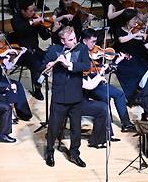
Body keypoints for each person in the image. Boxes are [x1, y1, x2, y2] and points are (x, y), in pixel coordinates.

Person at [42, 27, 106, 167]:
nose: (75, 41)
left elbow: (86, 65)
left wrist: (69, 64)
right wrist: (48, 66)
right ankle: (49, 151)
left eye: (75, 38)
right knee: (53, 127)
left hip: (76, 97)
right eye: (71, 40)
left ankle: (74, 153)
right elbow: (42, 69)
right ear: (62, 40)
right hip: (59, 97)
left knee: (76, 129)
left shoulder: (81, 48)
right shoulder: (53, 50)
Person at [81, 28, 136, 133]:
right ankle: (107, 131)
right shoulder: (80, 54)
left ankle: (126, 124)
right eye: (92, 42)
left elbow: (103, 70)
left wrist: (117, 61)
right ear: (84, 41)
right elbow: (88, 72)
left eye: (95, 42)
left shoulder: (95, 52)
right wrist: (101, 71)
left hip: (97, 82)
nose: (95, 45)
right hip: (87, 85)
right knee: (105, 97)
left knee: (119, 94)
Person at [115, 9, 148, 103]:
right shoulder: (119, 30)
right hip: (124, 59)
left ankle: (143, 96)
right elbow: (121, 40)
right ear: (127, 21)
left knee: (146, 70)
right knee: (134, 71)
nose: (136, 21)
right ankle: (132, 97)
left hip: (138, 58)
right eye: (134, 19)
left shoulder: (138, 31)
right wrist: (135, 35)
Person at [0, 28, 32, 122]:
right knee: (9, 88)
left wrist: (19, 54)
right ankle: (9, 113)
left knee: (18, 85)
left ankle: (23, 112)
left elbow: (8, 66)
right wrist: (6, 52)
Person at [10, 0, 51, 100]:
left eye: (34, 10)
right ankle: (37, 88)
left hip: (34, 49)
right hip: (21, 52)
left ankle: (40, 79)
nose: (34, 13)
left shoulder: (35, 19)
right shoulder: (16, 20)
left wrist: (51, 29)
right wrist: (32, 22)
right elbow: (20, 29)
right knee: (36, 63)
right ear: (23, 11)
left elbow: (45, 37)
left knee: (49, 58)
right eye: (31, 10)